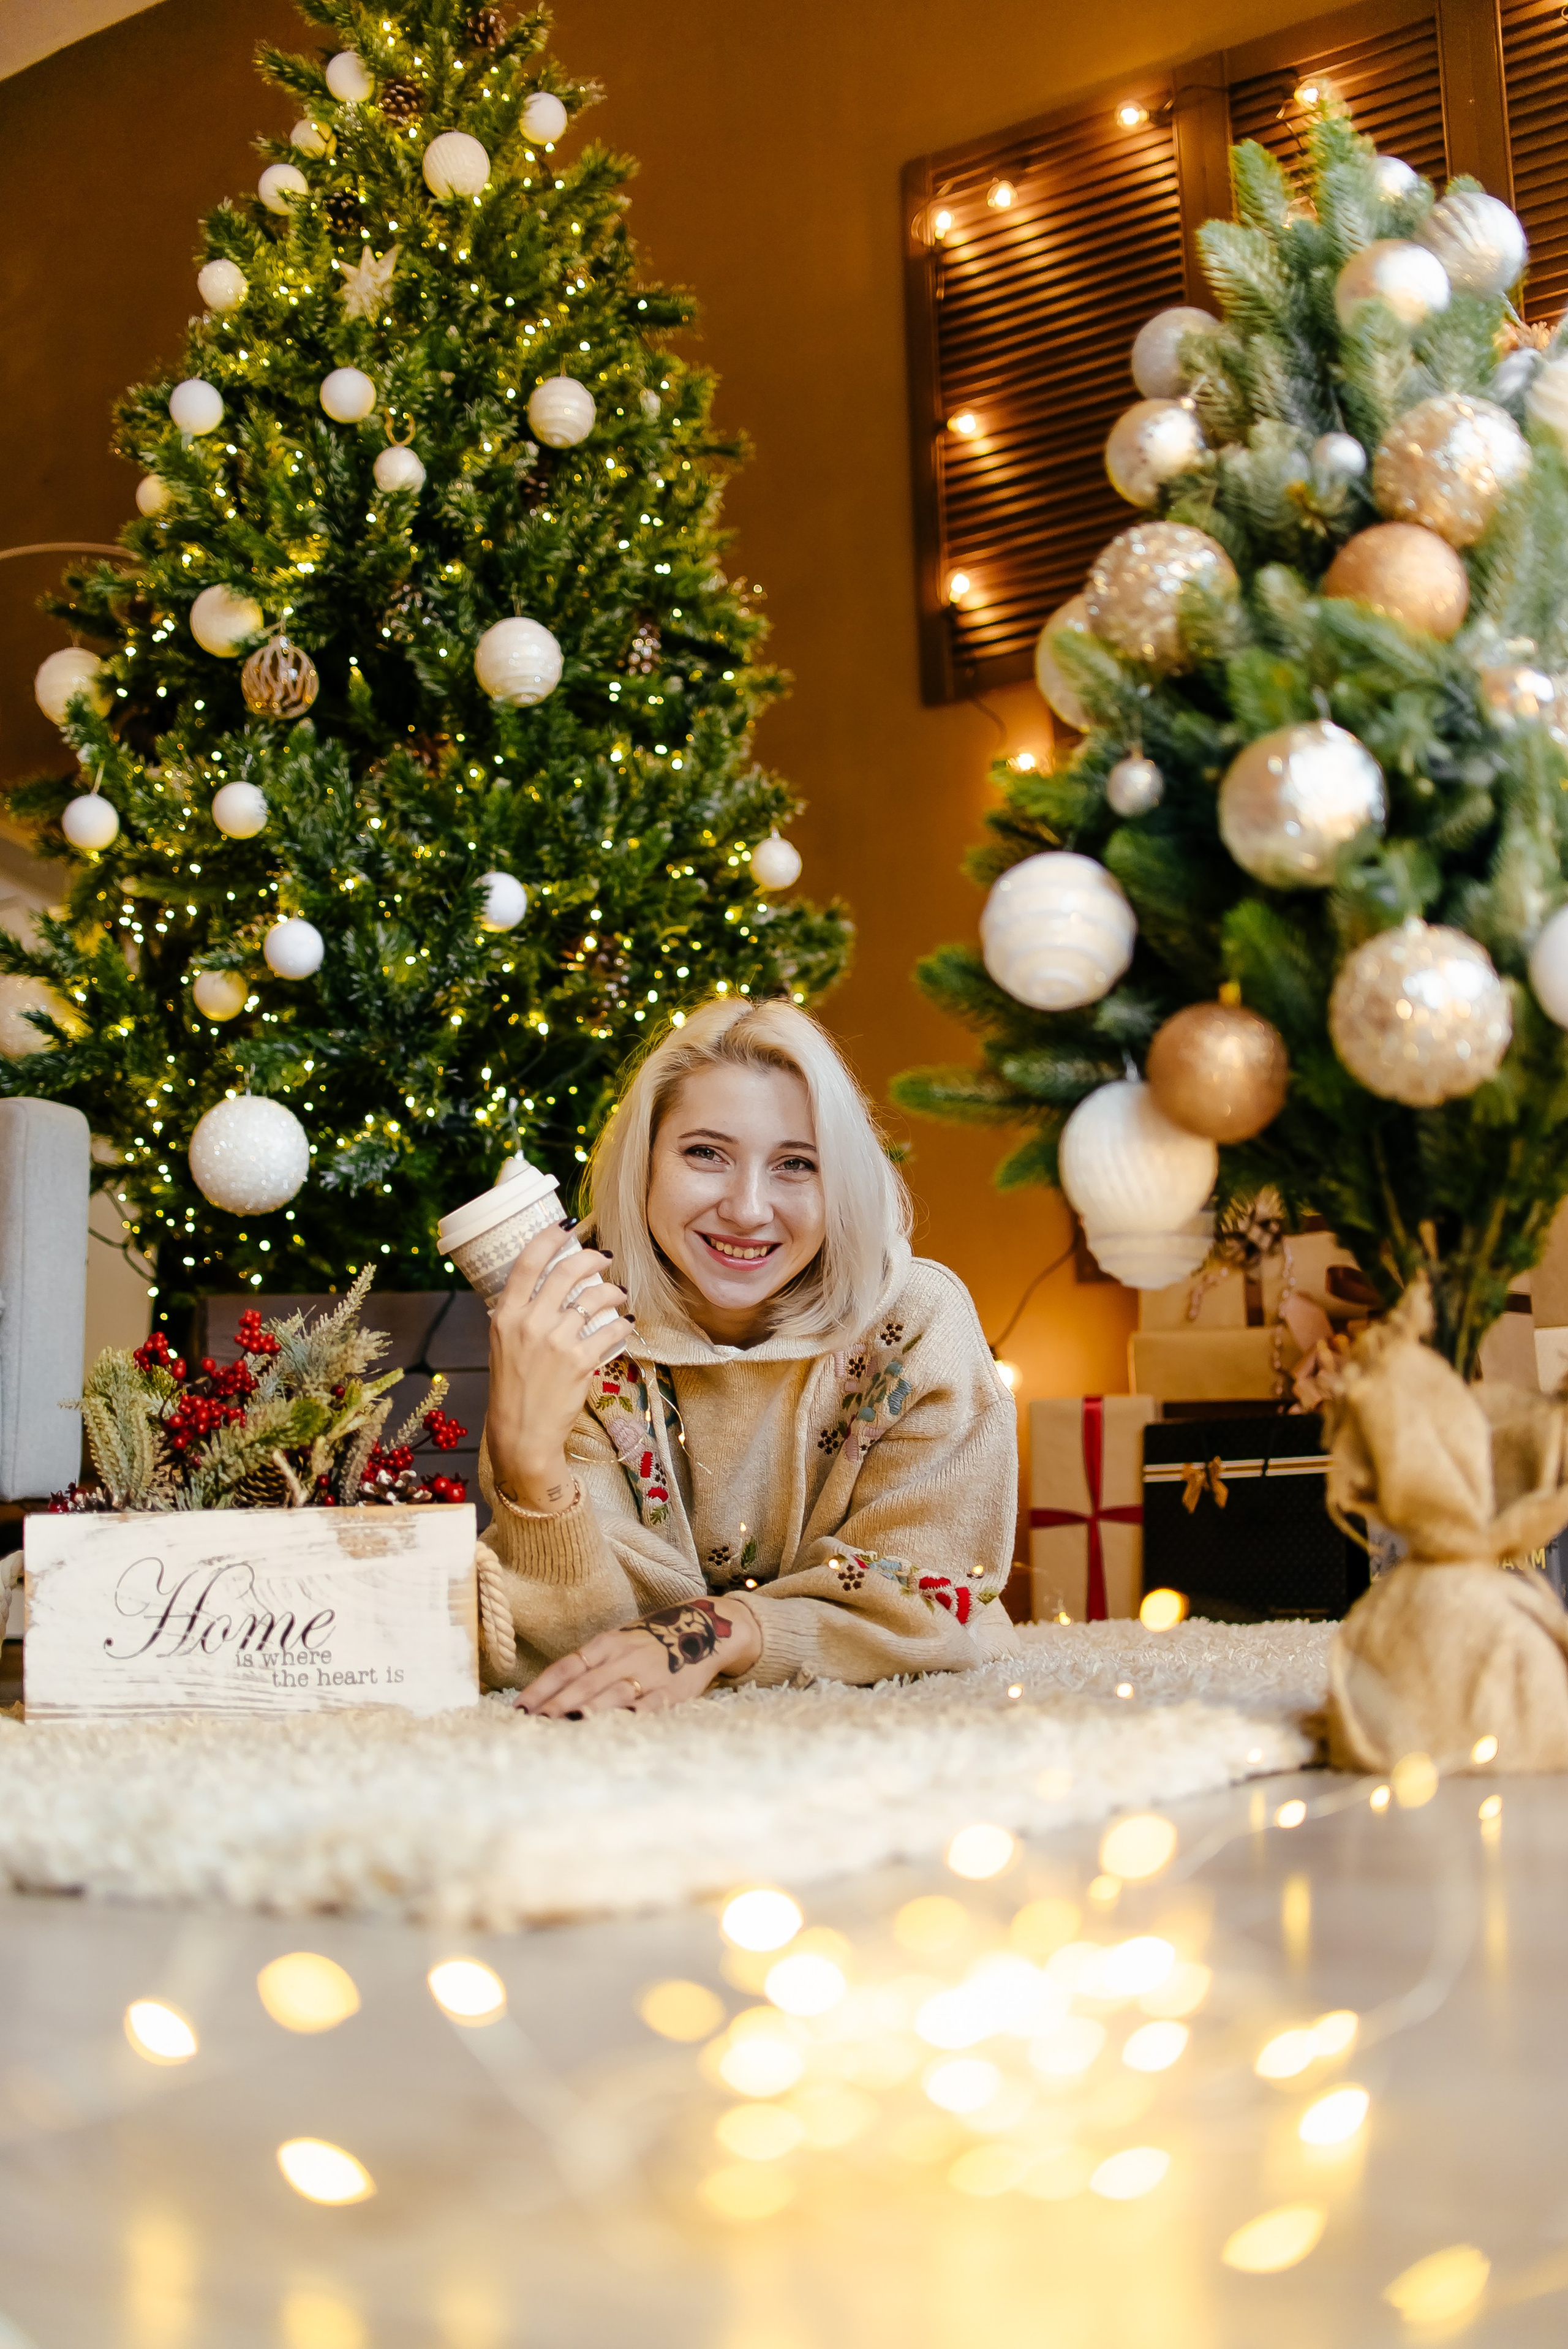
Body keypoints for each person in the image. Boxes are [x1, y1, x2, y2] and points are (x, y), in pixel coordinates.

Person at [480, 995, 1020, 1714]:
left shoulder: (915, 1322)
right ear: (642, 1164)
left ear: (841, 1183)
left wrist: (720, 1627)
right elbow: (581, 1654)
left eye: (796, 1164)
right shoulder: (570, 1327)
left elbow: (926, 1598)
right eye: (706, 1153)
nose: (747, 1208)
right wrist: (528, 1463)